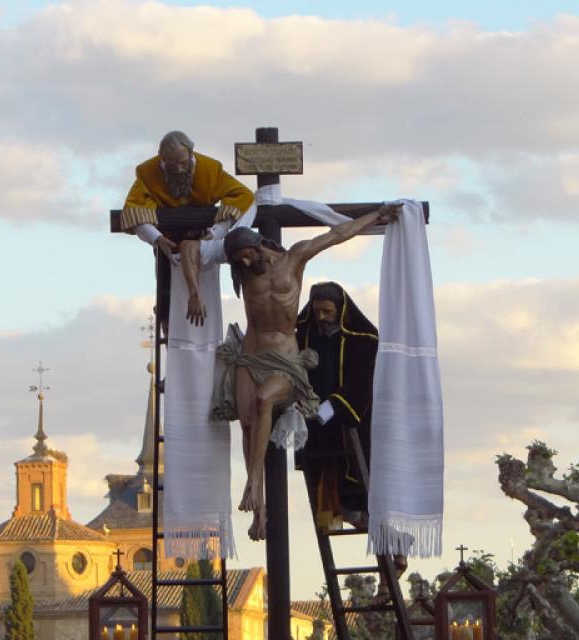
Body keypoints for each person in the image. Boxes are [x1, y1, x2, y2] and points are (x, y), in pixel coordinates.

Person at [211, 204, 401, 540]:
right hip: (251, 356)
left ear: (258, 246)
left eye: (246, 256)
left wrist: (377, 216)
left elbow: (337, 235)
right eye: (238, 261)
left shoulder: (295, 258)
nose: (244, 264)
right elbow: (193, 252)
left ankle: (252, 483)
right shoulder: (243, 271)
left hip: (284, 358)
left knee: (263, 400)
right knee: (247, 424)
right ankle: (259, 511)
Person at [294, 282, 407, 594]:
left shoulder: (364, 339)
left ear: (341, 309)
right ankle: (396, 546)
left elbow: (362, 384)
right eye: (317, 310)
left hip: (351, 430)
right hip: (316, 435)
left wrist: (328, 409)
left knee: (359, 500)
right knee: (333, 504)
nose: (321, 317)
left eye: (327, 311)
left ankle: (393, 553)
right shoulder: (303, 334)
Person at [119, 131, 255, 328]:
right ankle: (167, 327)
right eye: (172, 165)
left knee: (207, 300)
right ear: (161, 158)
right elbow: (133, 209)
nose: (179, 170)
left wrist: (215, 233)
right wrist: (157, 238)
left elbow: (243, 196)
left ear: (191, 153)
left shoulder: (210, 169)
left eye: (183, 163)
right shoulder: (147, 173)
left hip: (203, 243)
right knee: (167, 296)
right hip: (169, 246)